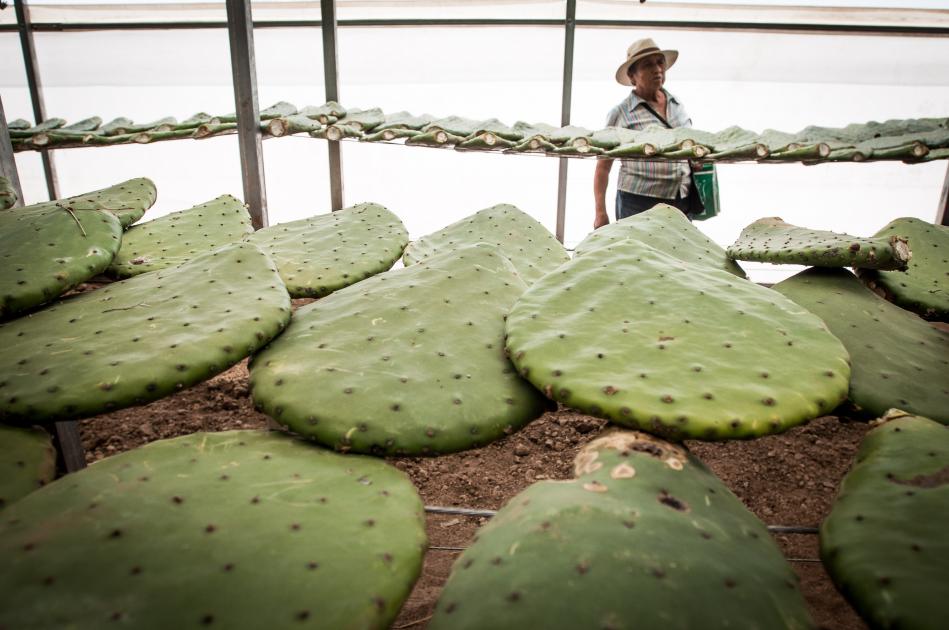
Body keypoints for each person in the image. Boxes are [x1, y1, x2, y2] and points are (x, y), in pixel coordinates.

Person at [593, 38, 693, 229]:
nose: (657, 69)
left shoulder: (677, 105)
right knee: (637, 255)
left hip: (681, 199)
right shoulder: (621, 114)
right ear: (632, 77)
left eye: (660, 62)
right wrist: (600, 212)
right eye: (648, 65)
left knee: (677, 256)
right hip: (638, 202)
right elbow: (603, 167)